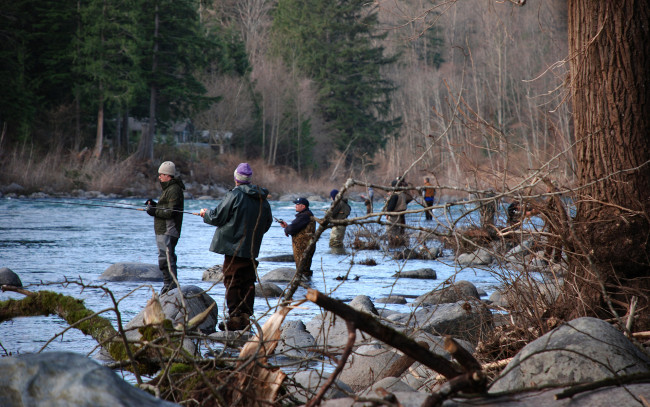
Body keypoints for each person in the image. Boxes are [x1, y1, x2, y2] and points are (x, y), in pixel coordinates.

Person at [199, 163, 272, 331]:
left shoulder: (235, 195)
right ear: (250, 180)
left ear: (236, 179)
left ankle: (234, 318)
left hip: (233, 248)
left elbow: (217, 216)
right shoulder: (262, 199)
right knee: (248, 281)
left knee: (232, 281)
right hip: (252, 249)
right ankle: (246, 318)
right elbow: (266, 224)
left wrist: (205, 214)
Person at [145, 161, 185, 295]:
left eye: (161, 174)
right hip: (164, 230)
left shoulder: (174, 189)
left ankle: (171, 285)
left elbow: (170, 212)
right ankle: (168, 284)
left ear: (168, 175)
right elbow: (166, 208)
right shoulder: (169, 189)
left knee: (166, 258)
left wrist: (153, 211)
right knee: (165, 257)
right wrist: (155, 205)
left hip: (169, 230)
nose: (159, 177)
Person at [279, 197, 316, 274]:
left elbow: (292, 229)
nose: (295, 206)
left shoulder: (304, 216)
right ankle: (307, 283)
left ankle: (304, 285)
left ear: (303, 206)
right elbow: (296, 228)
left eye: (297, 204)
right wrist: (286, 227)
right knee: (304, 268)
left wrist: (286, 229)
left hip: (303, 246)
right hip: (306, 245)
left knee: (302, 270)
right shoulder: (306, 215)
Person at [384, 178, 413, 247]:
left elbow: (390, 208)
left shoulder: (394, 196)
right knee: (397, 234)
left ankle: (392, 247)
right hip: (401, 217)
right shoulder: (403, 195)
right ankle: (398, 246)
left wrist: (388, 201)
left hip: (393, 218)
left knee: (391, 234)